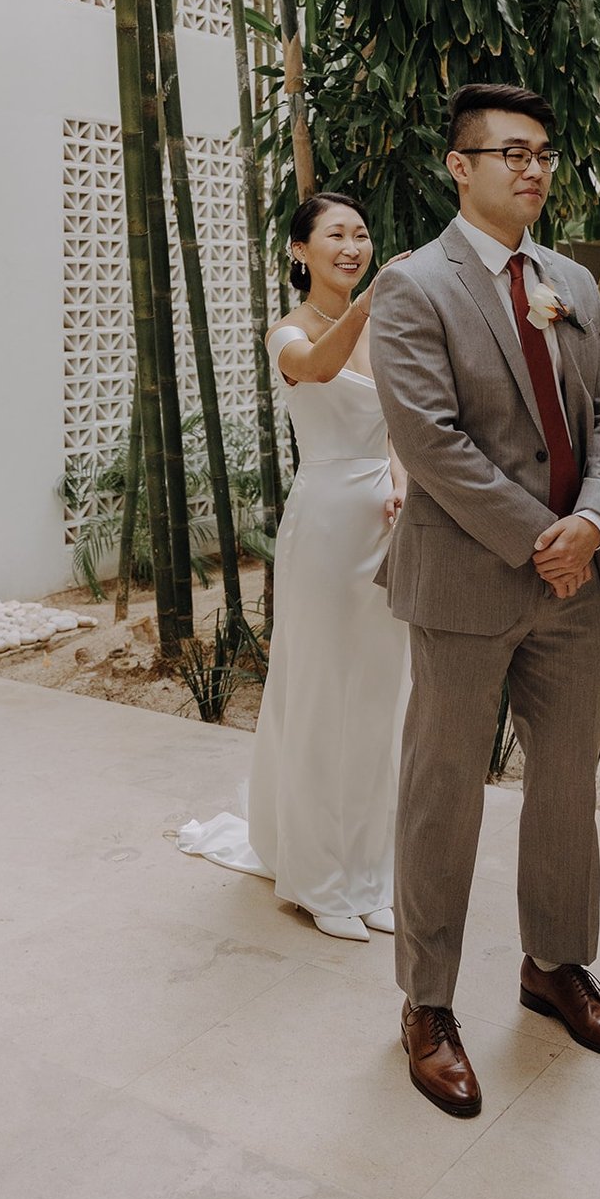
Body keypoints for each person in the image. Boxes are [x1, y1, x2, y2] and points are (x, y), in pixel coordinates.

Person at [368, 84, 600, 1118]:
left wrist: (594, 523)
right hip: (467, 583)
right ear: (459, 166)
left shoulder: (569, 277)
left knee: (566, 786)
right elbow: (430, 441)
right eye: (508, 152)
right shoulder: (413, 287)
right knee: (442, 795)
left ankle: (556, 967)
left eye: (542, 153)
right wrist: (541, 537)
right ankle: (427, 1004)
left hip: (573, 586)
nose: (531, 170)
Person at [178, 192, 410, 942]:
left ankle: (368, 871)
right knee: (322, 695)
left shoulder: (386, 328)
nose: (353, 244)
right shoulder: (289, 331)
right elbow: (315, 368)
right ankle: (316, 878)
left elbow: (402, 422)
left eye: (363, 233)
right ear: (299, 251)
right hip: (324, 527)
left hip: (384, 522)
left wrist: (402, 478)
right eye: (336, 234)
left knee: (379, 697)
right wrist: (370, 303)